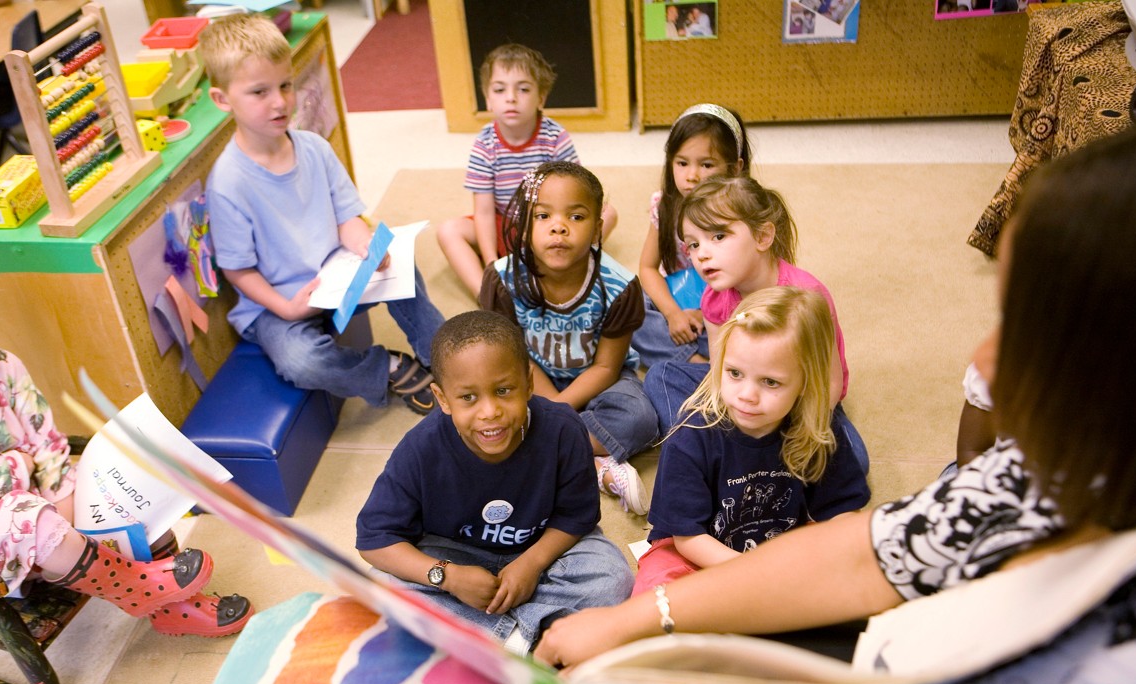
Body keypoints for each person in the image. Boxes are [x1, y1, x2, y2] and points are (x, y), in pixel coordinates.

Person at [534, 120, 1136, 684]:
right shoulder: (1065, 462)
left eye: (1034, 330)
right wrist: (636, 621)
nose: (983, 363)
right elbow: (872, 551)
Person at [0, 263, 252, 638]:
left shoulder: (1, 367)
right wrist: (14, 466)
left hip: (41, 502)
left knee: (119, 486)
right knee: (25, 515)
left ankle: (175, 606)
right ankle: (138, 589)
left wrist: (62, 497)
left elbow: (44, 441)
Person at [201, 14, 445, 416]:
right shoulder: (228, 183)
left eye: (284, 85)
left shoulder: (314, 148)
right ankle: (389, 367)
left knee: (402, 269)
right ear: (223, 100)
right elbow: (238, 272)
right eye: (259, 92)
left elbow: (346, 217)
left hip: (337, 275)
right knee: (300, 361)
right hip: (279, 304)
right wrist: (288, 309)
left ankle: (444, 356)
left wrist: (365, 246)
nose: (279, 101)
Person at [356, 310, 633, 655]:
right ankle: (531, 636)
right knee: (378, 587)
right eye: (468, 398)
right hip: (454, 555)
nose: (489, 411)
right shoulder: (419, 448)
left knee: (612, 577)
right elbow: (375, 540)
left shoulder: (564, 429)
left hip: (542, 549)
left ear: (529, 383)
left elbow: (576, 517)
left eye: (503, 390)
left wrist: (530, 564)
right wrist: (448, 576)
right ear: (442, 399)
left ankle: (496, 640)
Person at [634, 287, 868, 595]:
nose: (747, 395)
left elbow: (842, 513)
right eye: (734, 373)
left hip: (781, 552)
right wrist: (756, 575)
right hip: (698, 555)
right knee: (656, 595)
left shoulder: (817, 431)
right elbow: (687, 538)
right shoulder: (690, 436)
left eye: (770, 382)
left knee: (859, 578)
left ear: (805, 383)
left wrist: (813, 561)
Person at [641, 175, 862, 473]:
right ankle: (712, 451)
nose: (702, 253)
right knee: (660, 376)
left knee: (854, 464)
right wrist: (735, 416)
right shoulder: (714, 298)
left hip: (798, 401)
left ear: (763, 237)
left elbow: (829, 383)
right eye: (693, 244)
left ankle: (740, 457)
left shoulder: (808, 296)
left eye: (718, 236)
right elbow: (718, 373)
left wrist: (801, 433)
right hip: (742, 394)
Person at [480, 162, 659, 516]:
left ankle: (543, 453)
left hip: (597, 379)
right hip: (526, 378)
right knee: (476, 413)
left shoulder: (620, 287)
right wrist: (554, 407)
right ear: (525, 225)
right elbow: (514, 358)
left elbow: (608, 366)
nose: (558, 226)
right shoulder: (503, 279)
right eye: (543, 216)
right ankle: (595, 465)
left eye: (576, 217)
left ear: (597, 229)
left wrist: (556, 414)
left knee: (640, 417)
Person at [437, 43, 618, 298]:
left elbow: (575, 195)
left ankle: (565, 269)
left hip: (547, 221)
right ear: (488, 99)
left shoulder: (555, 137)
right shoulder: (484, 144)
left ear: (541, 97)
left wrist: (554, 226)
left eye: (523, 89)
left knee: (608, 213)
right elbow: (485, 211)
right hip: (503, 223)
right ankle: (489, 295)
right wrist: (491, 264)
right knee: (448, 230)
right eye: (500, 90)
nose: (511, 97)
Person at [631, 103, 750, 370]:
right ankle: (697, 364)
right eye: (682, 163)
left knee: (758, 323)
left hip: (724, 308)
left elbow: (747, 283)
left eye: (706, 165)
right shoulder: (664, 206)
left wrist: (707, 312)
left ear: (734, 169)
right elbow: (647, 268)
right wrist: (673, 314)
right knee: (627, 304)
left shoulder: (744, 215)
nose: (692, 175)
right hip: (674, 303)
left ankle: (690, 362)